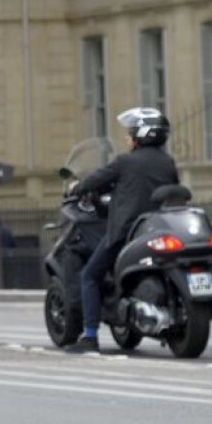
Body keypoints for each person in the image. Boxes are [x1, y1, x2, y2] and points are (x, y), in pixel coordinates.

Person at [63, 107, 177, 354]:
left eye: (130, 133)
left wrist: (75, 187)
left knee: (89, 275)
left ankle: (90, 335)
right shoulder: (167, 163)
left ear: (140, 135)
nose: (127, 138)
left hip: (127, 232)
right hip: (158, 230)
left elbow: (96, 179)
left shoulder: (126, 162)